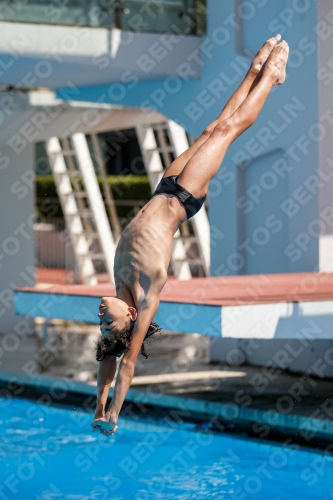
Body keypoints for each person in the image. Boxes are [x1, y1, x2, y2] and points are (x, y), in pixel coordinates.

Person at [91, 35, 289, 435]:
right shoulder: (146, 293)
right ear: (129, 317)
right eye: (107, 323)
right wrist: (113, 414)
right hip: (183, 197)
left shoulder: (120, 285)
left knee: (210, 129)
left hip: (164, 188)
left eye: (100, 326)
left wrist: (97, 406)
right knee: (227, 131)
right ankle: (271, 78)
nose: (99, 319)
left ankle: (255, 69)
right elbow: (126, 361)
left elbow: (108, 358)